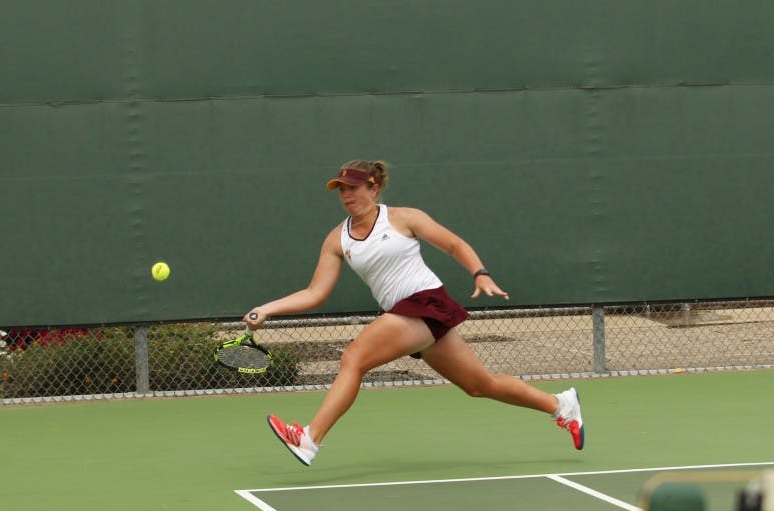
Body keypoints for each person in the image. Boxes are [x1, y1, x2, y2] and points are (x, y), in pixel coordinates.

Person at [244, 160, 584, 466]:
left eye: (353, 188)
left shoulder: (404, 217)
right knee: (480, 385)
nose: (346, 195)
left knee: (354, 359)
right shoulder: (337, 239)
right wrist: (267, 309)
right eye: (341, 190)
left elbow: (454, 245)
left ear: (373, 188)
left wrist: (480, 273)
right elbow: (315, 292)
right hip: (406, 315)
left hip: (425, 301)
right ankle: (560, 405)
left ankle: (309, 439)